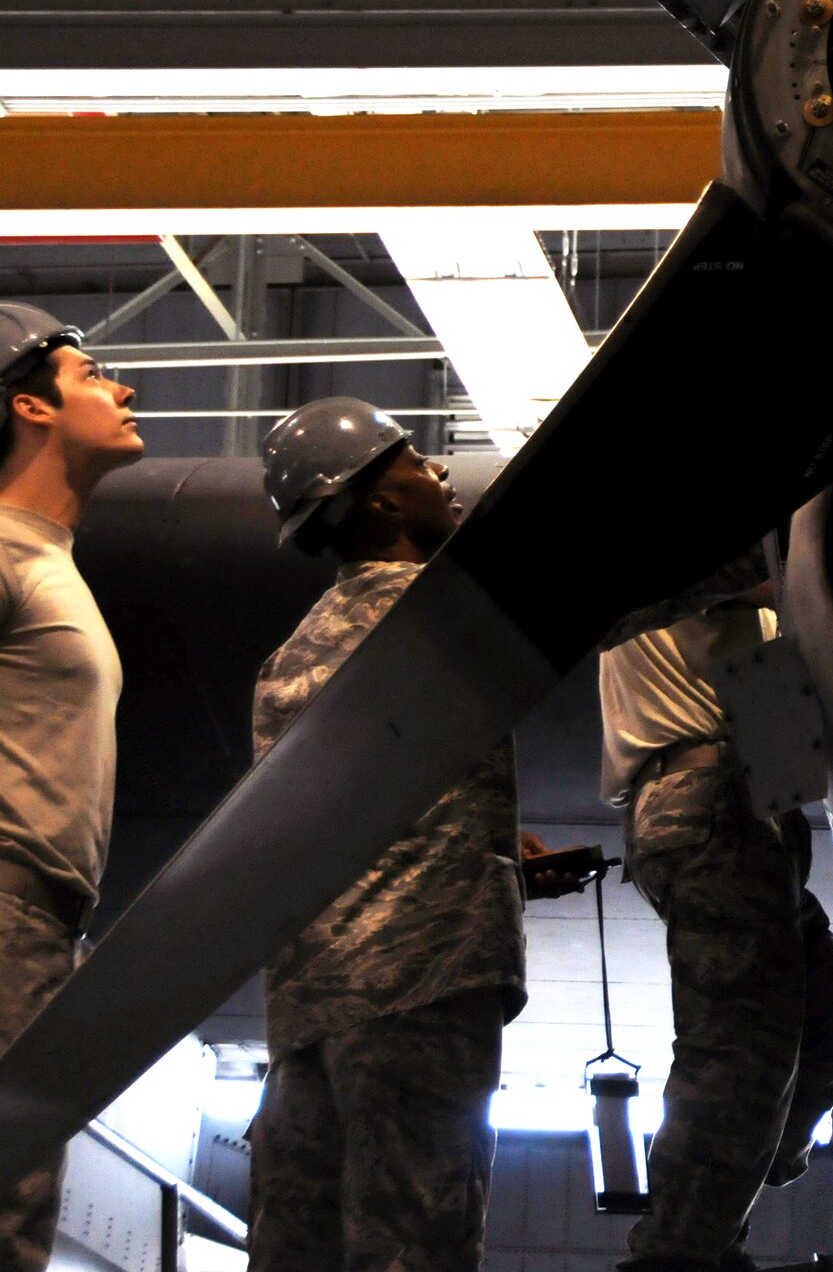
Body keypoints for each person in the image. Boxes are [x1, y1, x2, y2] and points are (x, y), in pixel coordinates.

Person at [247, 397, 528, 1272]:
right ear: (377, 501)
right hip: (423, 982)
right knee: (413, 1241)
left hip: (306, 1014)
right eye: (414, 460)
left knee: (296, 1248)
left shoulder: (289, 657)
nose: (440, 471)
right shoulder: (449, 618)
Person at [602, 549, 833, 1272]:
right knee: (738, 1049)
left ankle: (737, 1189)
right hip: (709, 798)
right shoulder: (696, 536)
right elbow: (808, 576)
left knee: (824, 1019)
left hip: (751, 810)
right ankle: (675, 1255)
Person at [0, 305, 143, 1272]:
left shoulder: (50, 561)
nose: (123, 388)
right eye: (93, 375)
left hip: (41, 923)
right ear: (28, 404)